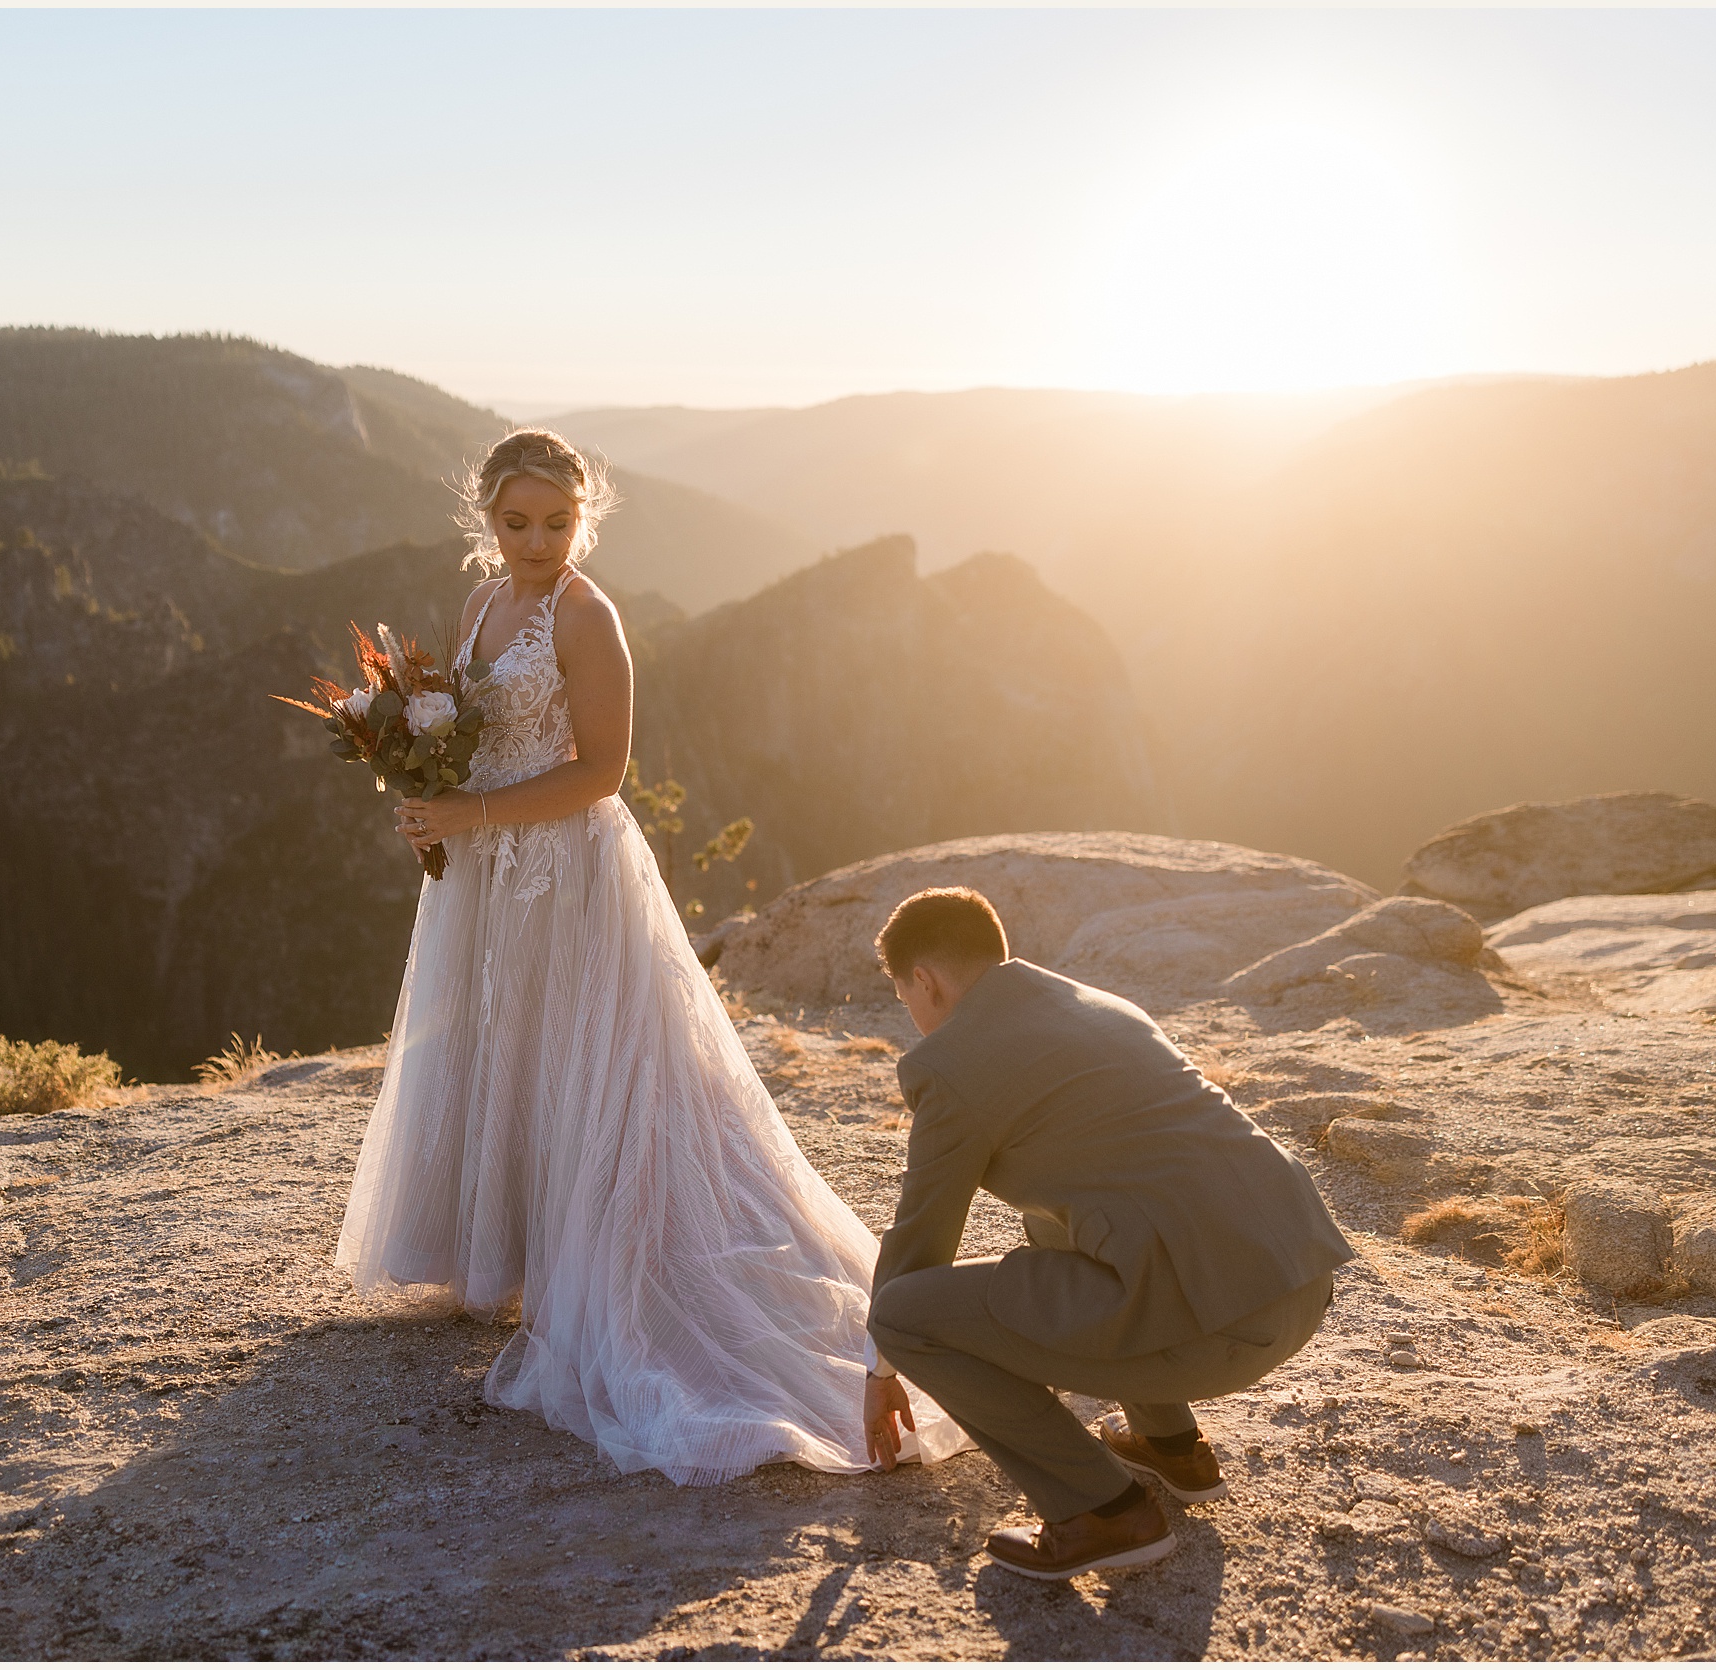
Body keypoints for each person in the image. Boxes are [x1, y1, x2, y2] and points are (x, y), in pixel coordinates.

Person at [333, 428, 969, 1484]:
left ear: (585, 517)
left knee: (590, 1058)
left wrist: (471, 808)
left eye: (556, 521)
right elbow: (473, 735)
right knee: (508, 1043)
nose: (536, 541)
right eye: (515, 522)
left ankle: (618, 1267)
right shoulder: (484, 605)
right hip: (488, 869)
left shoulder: (589, 616)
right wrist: (435, 808)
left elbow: (601, 773)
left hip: (568, 870)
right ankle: (518, 1249)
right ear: (484, 521)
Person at [858, 886, 1355, 1580]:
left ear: (925, 980)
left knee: (903, 1315)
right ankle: (1174, 1447)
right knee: (1055, 1220)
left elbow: (918, 1245)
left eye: (902, 998)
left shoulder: (952, 1064)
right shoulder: (1097, 1005)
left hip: (1222, 1332)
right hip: (1300, 1280)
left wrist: (881, 1371)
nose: (910, 1016)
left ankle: (1102, 1510)